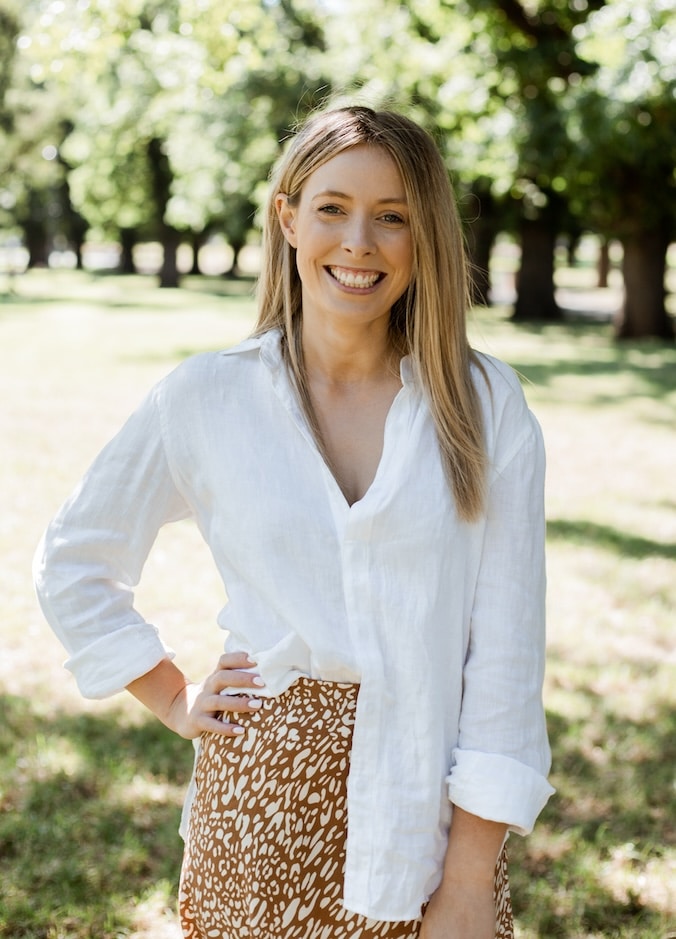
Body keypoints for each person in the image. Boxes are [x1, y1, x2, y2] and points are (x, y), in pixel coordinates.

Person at [34, 105, 554, 939]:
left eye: (393, 218)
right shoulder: (207, 396)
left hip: (421, 811)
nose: (359, 242)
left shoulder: (486, 408)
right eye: (333, 209)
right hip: (255, 806)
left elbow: (505, 661)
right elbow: (73, 560)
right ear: (287, 218)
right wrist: (172, 696)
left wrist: (465, 884)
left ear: (426, 238)